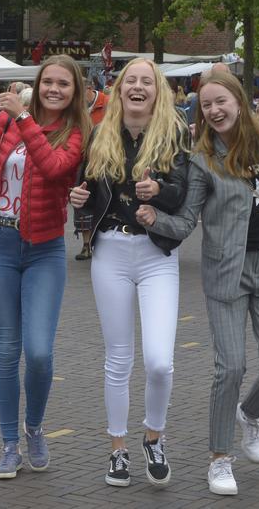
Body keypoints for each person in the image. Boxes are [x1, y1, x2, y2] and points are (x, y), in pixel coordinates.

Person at [133, 70, 259, 496]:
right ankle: (220, 459)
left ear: (239, 101)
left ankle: (250, 413)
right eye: (206, 105)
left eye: (220, 101)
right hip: (226, 270)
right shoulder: (202, 158)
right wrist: (155, 219)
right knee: (231, 367)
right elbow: (187, 219)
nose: (214, 110)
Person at [0, 55, 88, 479]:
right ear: (38, 82)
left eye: (63, 84)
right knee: (7, 351)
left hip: (45, 250)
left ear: (74, 91)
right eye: (48, 81)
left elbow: (53, 169)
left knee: (41, 353)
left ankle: (35, 428)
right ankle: (10, 443)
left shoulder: (75, 133)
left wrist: (25, 116)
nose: (54, 89)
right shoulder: (3, 125)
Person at [69, 58, 190, 488]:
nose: (138, 87)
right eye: (130, 81)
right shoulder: (101, 133)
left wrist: (159, 191)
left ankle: (154, 436)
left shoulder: (175, 133)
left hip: (156, 252)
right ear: (119, 90)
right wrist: (78, 197)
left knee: (159, 361)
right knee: (118, 359)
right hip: (112, 251)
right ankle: (117, 449)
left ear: (158, 90)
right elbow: (85, 194)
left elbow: (183, 194)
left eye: (146, 82)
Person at [74, 81, 110, 261]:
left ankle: (102, 239)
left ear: (89, 89)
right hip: (81, 160)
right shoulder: (76, 108)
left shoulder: (107, 103)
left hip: (104, 160)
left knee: (102, 201)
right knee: (81, 203)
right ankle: (86, 244)